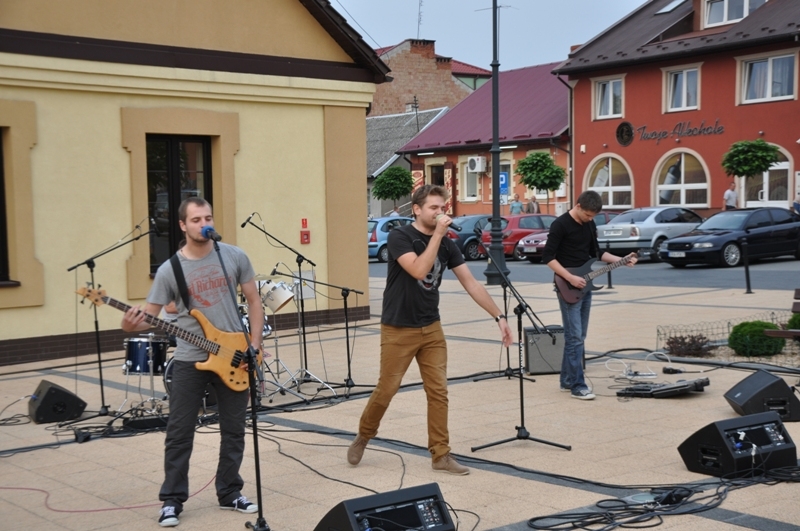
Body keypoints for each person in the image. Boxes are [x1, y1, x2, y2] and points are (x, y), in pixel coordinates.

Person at [347, 184, 513, 475]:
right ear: (417, 209)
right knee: (387, 389)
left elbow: (471, 283)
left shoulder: (448, 245)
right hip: (398, 327)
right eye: (433, 208)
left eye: (442, 207)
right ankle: (364, 435)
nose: (440, 212)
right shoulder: (400, 236)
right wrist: (437, 235)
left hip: (431, 327)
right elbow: (418, 270)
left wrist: (498, 316)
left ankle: (440, 454)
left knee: (438, 392)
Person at [121, 197, 264, 527]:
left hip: (235, 356)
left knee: (234, 430)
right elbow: (149, 316)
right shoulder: (170, 270)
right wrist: (129, 325)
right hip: (190, 360)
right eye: (196, 219)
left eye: (208, 218)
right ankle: (172, 500)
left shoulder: (234, 255)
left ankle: (230, 492)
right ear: (183, 225)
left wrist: (254, 345)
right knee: (179, 432)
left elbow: (254, 301)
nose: (204, 224)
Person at [541, 190, 637, 401]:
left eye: (593, 216)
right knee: (574, 337)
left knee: (578, 336)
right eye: (587, 215)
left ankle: (567, 380)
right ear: (578, 206)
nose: (590, 219)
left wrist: (622, 259)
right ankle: (578, 386)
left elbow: (597, 253)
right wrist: (570, 277)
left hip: (585, 285)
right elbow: (548, 257)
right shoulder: (560, 225)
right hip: (567, 285)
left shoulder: (590, 224)